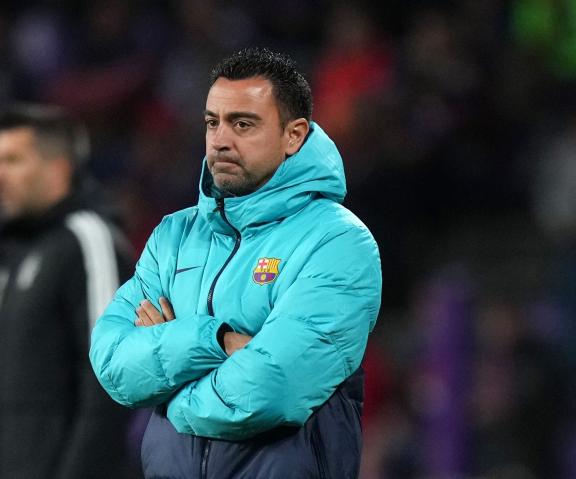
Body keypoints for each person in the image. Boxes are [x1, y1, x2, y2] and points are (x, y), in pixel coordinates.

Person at [90, 47, 382, 478]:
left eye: (243, 124)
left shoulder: (337, 241)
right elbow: (113, 362)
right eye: (213, 122)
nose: (220, 140)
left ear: (294, 135)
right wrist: (217, 340)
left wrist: (169, 391)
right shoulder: (174, 236)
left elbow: (269, 389)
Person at [0, 104, 135, 478]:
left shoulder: (87, 239)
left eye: (12, 160)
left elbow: (109, 380)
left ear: (57, 168)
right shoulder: (16, 256)